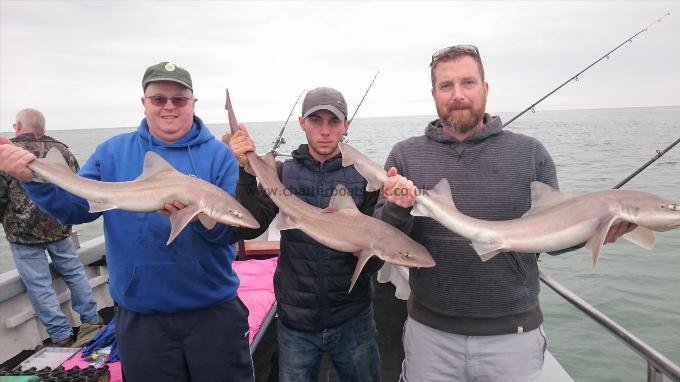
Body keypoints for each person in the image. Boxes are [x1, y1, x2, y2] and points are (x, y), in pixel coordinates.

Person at [373, 45, 636, 382]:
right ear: (433, 94)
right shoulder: (406, 155)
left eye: (468, 83)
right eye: (446, 86)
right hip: (431, 335)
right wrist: (397, 206)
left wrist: (594, 230)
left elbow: (553, 242)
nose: (458, 95)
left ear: (485, 88)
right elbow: (383, 236)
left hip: (513, 336)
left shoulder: (529, 153)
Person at [0, 62, 253, 381]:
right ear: (144, 102)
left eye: (179, 99)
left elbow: (229, 234)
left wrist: (196, 214)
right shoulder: (113, 152)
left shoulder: (220, 155)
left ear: (193, 102)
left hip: (212, 312)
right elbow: (75, 210)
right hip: (141, 316)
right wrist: (34, 179)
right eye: (159, 99)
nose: (169, 106)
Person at [229, 87, 382, 382]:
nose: (325, 131)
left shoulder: (364, 178)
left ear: (346, 125)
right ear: (302, 123)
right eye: (316, 121)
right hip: (296, 320)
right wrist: (246, 172)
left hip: (352, 316)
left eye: (334, 122)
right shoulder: (284, 174)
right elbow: (247, 226)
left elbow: (377, 251)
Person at [0, 108, 100, 347]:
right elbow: (79, 186)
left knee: (39, 285)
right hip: (59, 226)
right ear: (42, 127)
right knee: (76, 275)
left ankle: (61, 335)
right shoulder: (62, 151)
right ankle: (92, 323)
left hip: (23, 233)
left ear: (18, 126)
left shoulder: (12, 156)